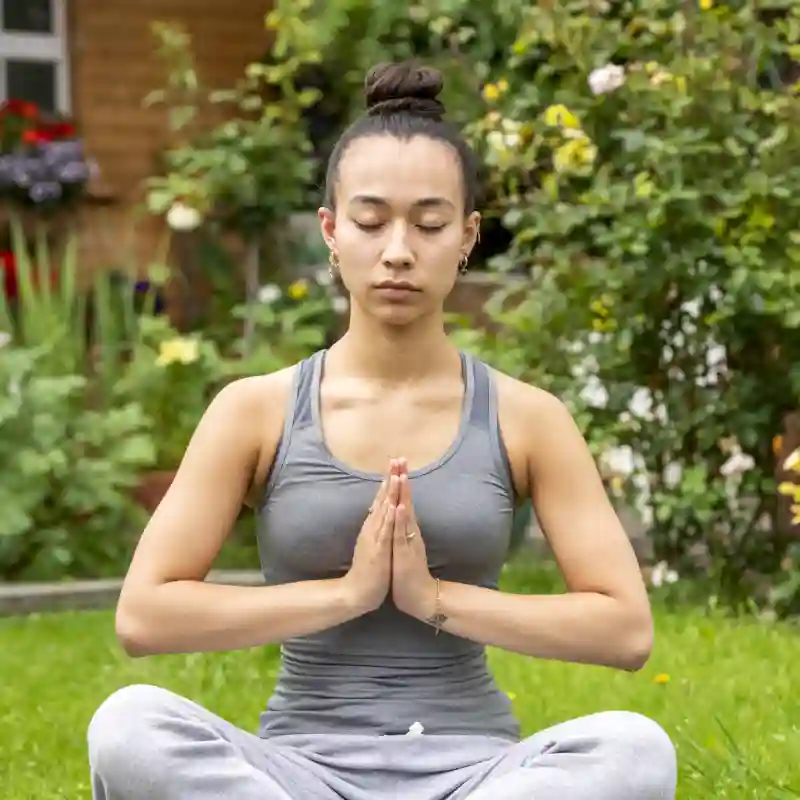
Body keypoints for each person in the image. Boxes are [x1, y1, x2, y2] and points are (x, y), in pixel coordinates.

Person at [87, 61, 677, 800]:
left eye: (429, 224)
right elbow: (144, 615)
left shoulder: (529, 418)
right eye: (370, 221)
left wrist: (433, 597)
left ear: (467, 238)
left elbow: (624, 632)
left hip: (475, 774)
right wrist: (346, 595)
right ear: (332, 231)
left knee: (634, 748)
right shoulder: (256, 410)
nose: (398, 249)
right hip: (298, 771)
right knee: (129, 723)